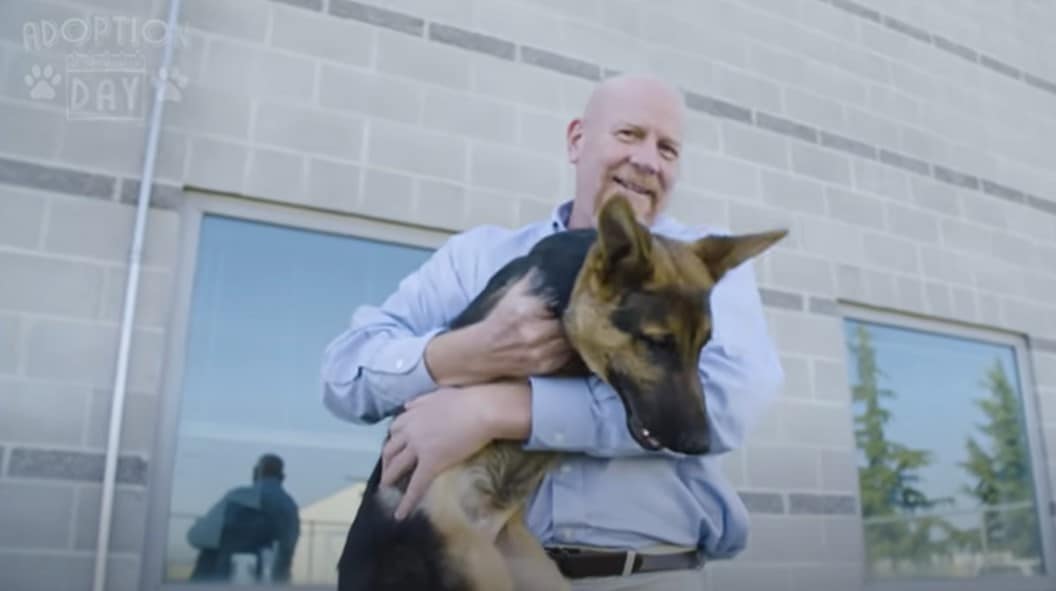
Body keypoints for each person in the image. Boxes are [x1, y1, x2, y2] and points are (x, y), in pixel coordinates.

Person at [320, 73, 783, 590]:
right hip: (475, 569)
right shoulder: (477, 258)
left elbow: (728, 402)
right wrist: (464, 353)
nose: (649, 160)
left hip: (648, 573)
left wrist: (496, 411)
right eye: (629, 134)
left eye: (668, 149)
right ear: (577, 140)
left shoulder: (700, 269)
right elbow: (345, 377)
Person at [187, 454, 301, 583]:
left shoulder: (238, 497)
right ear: (282, 477)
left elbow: (195, 537)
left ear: (255, 473)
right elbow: (286, 551)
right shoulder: (290, 508)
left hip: (224, 580)